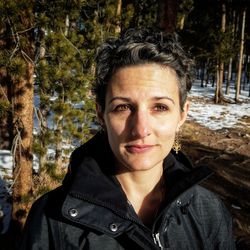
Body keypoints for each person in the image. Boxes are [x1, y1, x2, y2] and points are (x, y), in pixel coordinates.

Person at [20, 28, 236, 249]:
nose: (141, 129)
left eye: (160, 107)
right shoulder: (52, 221)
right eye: (123, 107)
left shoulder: (209, 212)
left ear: (182, 114)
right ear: (101, 114)